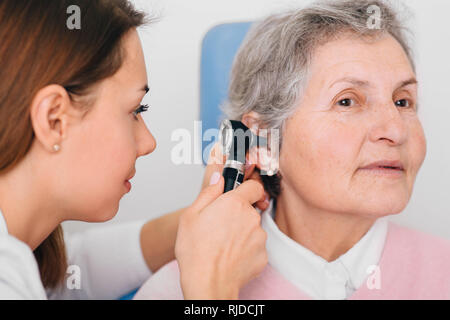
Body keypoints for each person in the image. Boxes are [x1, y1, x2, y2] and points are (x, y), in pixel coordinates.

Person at [134, 0, 450, 300]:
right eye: (347, 101)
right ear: (264, 137)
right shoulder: (179, 291)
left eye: (402, 101)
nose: (395, 131)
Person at [0, 0, 270, 300]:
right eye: (134, 110)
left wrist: (208, 219)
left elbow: (70, 275)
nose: (148, 142)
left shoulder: (19, 259)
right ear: (54, 120)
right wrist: (212, 287)